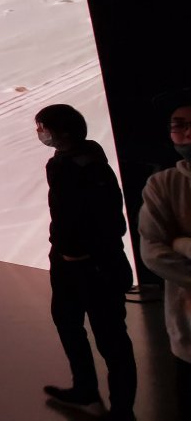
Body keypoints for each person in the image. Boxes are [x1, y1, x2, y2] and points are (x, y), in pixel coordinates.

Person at [37, 103, 137, 420]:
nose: (40, 133)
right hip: (67, 263)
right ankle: (85, 388)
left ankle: (122, 410)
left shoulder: (90, 166)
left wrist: (85, 253)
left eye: (43, 127)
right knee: (68, 324)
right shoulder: (61, 162)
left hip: (96, 266)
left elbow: (111, 220)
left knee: (110, 338)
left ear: (63, 131)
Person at [138, 92, 191, 418]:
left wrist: (182, 245)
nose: (187, 132)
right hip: (187, 331)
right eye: (179, 125)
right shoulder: (163, 184)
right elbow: (153, 251)